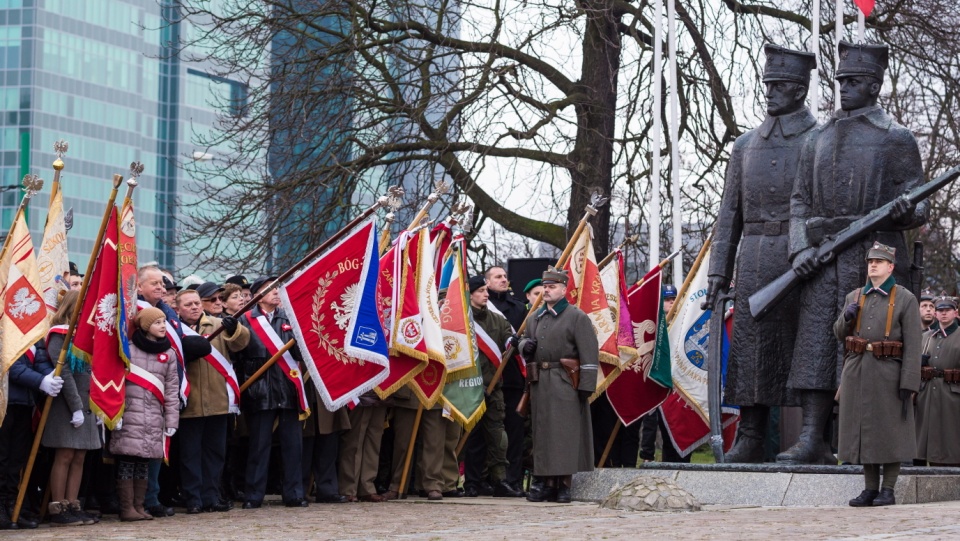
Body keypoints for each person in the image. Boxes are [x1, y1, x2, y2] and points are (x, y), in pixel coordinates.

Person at [786, 41, 927, 464]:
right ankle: (812, 437)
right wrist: (799, 251)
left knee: (866, 347)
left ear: (874, 85)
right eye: (841, 80)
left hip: (873, 256)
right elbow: (798, 201)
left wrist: (906, 212)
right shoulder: (817, 138)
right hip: (822, 258)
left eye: (853, 81)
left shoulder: (896, 138)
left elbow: (919, 202)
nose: (843, 87)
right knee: (815, 345)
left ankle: (860, 439)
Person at [703, 44, 818, 462]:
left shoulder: (818, 139)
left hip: (800, 255)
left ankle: (813, 435)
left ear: (799, 90)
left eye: (779, 86)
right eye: (767, 85)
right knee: (752, 350)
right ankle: (750, 434)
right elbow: (728, 212)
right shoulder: (745, 145)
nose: (769, 92)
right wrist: (718, 272)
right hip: (751, 256)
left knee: (806, 345)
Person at [834, 242, 920, 507]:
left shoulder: (905, 298)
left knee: (890, 431)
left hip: (888, 372)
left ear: (891, 266)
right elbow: (838, 334)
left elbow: (914, 344)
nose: (873, 265)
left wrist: (909, 381)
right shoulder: (854, 296)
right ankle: (870, 488)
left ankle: (889, 489)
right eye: (870, 261)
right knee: (864, 430)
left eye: (879, 262)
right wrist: (846, 318)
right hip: (858, 370)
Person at [520, 268, 598, 503]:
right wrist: (525, 346)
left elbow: (589, 354)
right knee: (543, 434)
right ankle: (547, 483)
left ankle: (564, 484)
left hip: (566, 381)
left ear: (564, 290)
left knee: (564, 434)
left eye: (552, 286)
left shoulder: (577, 317)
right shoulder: (535, 317)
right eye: (545, 286)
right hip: (540, 382)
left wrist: (586, 385)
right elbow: (523, 339)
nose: (546, 290)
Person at [236, 276, 309, 508]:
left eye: (277, 289)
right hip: (260, 390)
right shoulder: (246, 321)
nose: (276, 292)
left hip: (287, 388)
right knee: (258, 446)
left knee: (293, 446)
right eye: (270, 290)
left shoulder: (289, 319)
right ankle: (253, 495)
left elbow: (300, 355)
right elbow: (238, 356)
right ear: (258, 295)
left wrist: (301, 338)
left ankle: (294, 493)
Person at [176, 288, 249, 514]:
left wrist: (234, 328)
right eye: (188, 305)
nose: (195, 307)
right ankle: (193, 498)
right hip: (191, 402)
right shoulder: (174, 329)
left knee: (215, 453)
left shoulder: (217, 324)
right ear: (178, 309)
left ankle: (211, 496)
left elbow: (242, 342)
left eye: (197, 303)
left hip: (217, 401)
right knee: (190, 455)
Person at [110, 307, 181, 521]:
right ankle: (127, 508)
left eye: (164, 322)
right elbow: (117, 383)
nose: (163, 326)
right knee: (127, 462)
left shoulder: (168, 353)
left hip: (153, 417)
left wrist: (171, 420)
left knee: (143, 463)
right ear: (145, 326)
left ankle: (139, 507)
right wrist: (114, 414)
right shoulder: (128, 350)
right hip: (129, 415)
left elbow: (171, 389)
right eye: (157, 322)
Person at [42, 291, 101, 526]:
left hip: (87, 402)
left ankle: (73, 503)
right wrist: (76, 406)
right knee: (65, 454)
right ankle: (59, 507)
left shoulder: (89, 335)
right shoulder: (60, 334)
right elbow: (63, 371)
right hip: (67, 403)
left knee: (80, 456)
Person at [463, 276, 523, 498]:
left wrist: (512, 344)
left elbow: (508, 338)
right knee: (473, 438)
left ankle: (500, 480)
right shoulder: (461, 319)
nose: (486, 294)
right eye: (480, 291)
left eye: (486, 290)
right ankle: (471, 482)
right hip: (468, 386)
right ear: (470, 294)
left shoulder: (498, 320)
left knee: (498, 437)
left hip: (494, 387)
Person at [0, 340, 61, 529]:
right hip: (4, 402)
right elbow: (10, 365)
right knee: (2, 459)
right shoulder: (5, 332)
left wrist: (51, 373)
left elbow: (40, 359)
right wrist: (41, 381)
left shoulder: (33, 333)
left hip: (25, 403)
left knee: (17, 460)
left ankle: (13, 507)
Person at [484, 266, 528, 493]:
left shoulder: (520, 309)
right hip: (486, 379)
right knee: (484, 433)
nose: (503, 280)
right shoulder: (481, 307)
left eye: (504, 276)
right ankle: (482, 481)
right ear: (487, 282)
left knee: (514, 433)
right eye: (497, 277)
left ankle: (513, 480)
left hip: (512, 379)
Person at [915, 296, 960, 466]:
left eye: (947, 310)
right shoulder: (926, 337)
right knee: (927, 441)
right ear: (935, 313)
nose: (943, 314)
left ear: (955, 312)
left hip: (953, 394)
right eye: (940, 310)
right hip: (927, 392)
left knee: (951, 440)